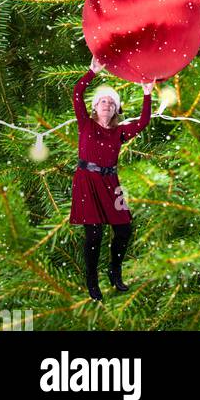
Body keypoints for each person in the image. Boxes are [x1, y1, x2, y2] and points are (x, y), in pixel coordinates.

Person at [70, 56, 153, 302]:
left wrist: (147, 94)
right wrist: (91, 72)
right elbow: (76, 94)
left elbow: (144, 121)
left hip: (110, 183)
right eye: (102, 101)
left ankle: (115, 270)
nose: (106, 104)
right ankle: (91, 280)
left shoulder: (119, 132)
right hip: (87, 181)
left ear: (116, 109)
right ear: (95, 106)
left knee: (124, 229)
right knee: (93, 235)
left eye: (111, 102)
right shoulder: (85, 124)